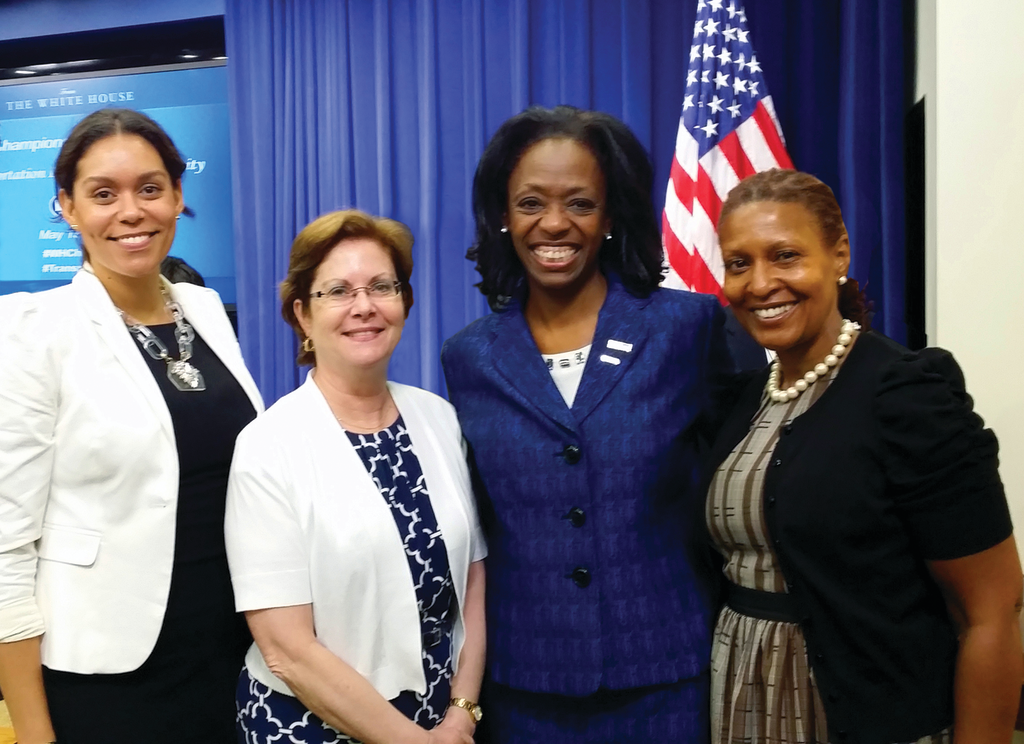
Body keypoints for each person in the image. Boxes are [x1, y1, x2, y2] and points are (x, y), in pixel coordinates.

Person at [440, 105, 734, 743]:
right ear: (501, 214)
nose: (553, 224)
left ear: (610, 215)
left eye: (579, 203)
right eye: (529, 202)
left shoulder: (687, 329)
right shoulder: (467, 358)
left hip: (667, 677)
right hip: (527, 689)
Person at [706, 168, 1023, 743]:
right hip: (743, 705)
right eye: (738, 263)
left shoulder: (906, 394)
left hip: (866, 714)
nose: (760, 283)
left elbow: (992, 612)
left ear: (839, 254)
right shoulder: (743, 400)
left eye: (785, 256)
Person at [0, 108, 264, 744]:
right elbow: (5, 547)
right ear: (67, 207)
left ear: (177, 195)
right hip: (108, 675)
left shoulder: (202, 310)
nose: (131, 211)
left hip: (231, 649)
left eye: (149, 188)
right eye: (102, 194)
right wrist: (33, 732)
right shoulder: (35, 330)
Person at [225, 209, 487, 744]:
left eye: (381, 287)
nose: (364, 306)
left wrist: (462, 710)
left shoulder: (440, 418)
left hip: (446, 718)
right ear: (302, 314)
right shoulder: (267, 448)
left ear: (404, 303)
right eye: (338, 291)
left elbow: (474, 581)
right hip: (310, 725)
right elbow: (288, 650)